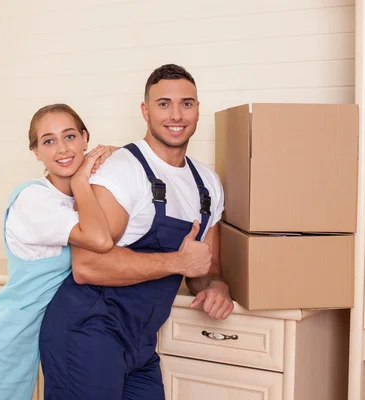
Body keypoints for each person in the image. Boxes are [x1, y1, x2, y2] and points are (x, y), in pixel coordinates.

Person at [39, 64, 235, 400]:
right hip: (87, 331)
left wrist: (216, 286)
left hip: (140, 340)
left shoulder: (208, 185)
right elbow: (88, 266)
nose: (176, 114)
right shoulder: (123, 170)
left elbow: (204, 265)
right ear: (145, 111)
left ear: (198, 110)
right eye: (163, 104)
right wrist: (178, 262)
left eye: (186, 103)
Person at [0, 103, 116, 400]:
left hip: (26, 345)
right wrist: (80, 179)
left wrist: (118, 156)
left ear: (85, 137)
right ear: (36, 152)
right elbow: (100, 240)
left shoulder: (75, 200)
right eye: (48, 141)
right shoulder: (34, 198)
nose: (62, 149)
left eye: (70, 136)